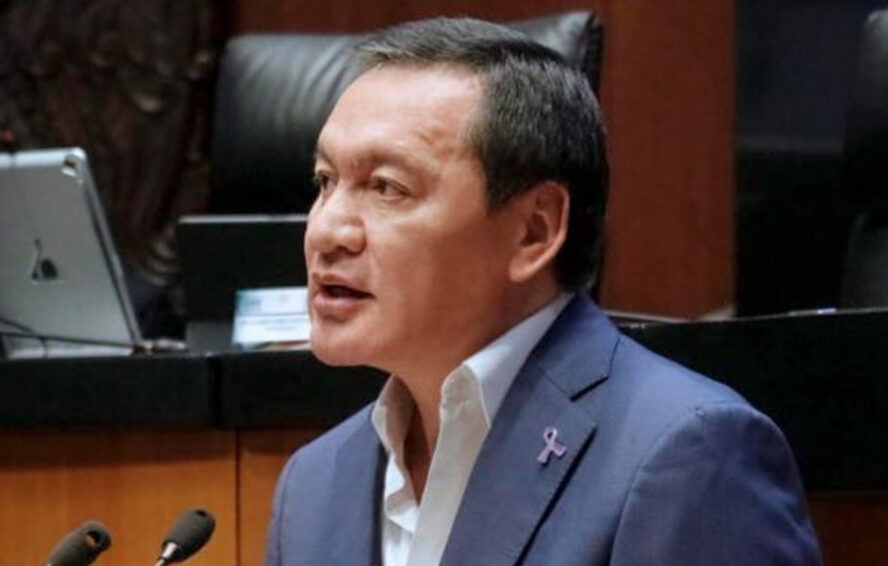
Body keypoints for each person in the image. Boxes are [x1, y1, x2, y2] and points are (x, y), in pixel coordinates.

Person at [265, 17, 821, 566]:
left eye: (387, 187)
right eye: (325, 181)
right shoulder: (314, 486)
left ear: (534, 230)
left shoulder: (689, 456)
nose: (326, 230)